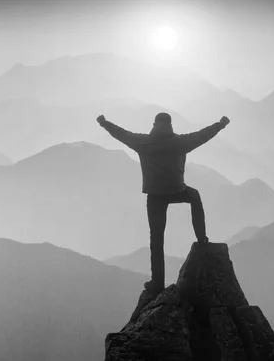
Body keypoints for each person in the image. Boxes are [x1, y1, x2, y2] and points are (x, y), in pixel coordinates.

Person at [97, 112, 230, 294]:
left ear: (154, 124)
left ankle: (157, 282)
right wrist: (219, 125)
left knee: (157, 239)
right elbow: (202, 135)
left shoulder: (143, 142)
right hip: (177, 190)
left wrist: (105, 123)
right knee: (195, 196)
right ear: (170, 125)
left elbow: (121, 134)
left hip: (155, 195)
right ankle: (201, 238)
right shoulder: (180, 142)